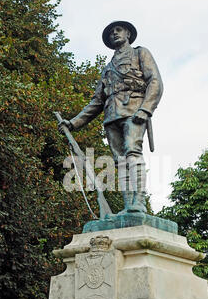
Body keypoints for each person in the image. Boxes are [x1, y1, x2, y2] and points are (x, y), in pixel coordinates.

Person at [59, 21, 163, 214]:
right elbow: (97, 101)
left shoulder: (140, 53)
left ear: (128, 34)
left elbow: (155, 81)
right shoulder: (107, 68)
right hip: (111, 118)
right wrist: (73, 123)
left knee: (133, 154)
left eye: (118, 30)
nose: (114, 33)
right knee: (120, 162)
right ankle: (128, 206)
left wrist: (146, 109)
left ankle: (138, 202)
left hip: (134, 111)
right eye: (111, 32)